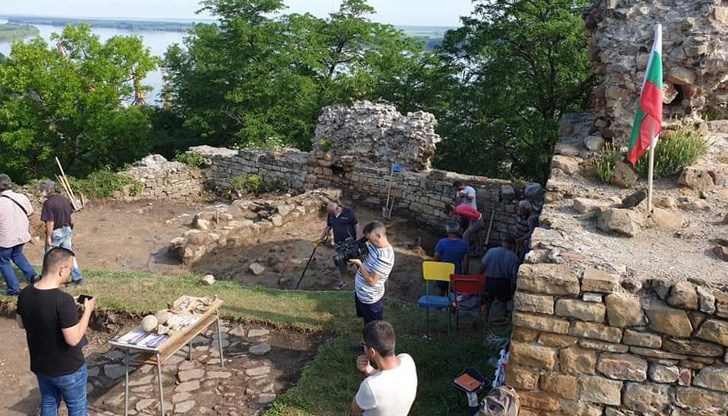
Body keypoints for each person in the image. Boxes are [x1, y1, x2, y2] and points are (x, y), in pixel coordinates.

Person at [16, 247, 96, 416]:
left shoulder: (25, 293)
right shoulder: (63, 301)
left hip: (41, 365)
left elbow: (21, 323)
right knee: (77, 407)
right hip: (67, 368)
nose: (70, 272)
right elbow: (73, 339)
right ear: (61, 270)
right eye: (70, 269)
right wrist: (88, 310)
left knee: (49, 403)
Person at [352, 321, 417, 416]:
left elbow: (355, 409)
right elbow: (390, 378)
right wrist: (369, 370)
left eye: (364, 344)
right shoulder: (407, 360)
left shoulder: (370, 386)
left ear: (372, 352)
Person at [348, 222, 395, 325]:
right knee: (366, 321)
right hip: (361, 294)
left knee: (373, 327)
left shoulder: (385, 257)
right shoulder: (375, 246)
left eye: (370, 239)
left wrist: (359, 264)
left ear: (378, 236)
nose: (368, 242)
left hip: (370, 299)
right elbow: (367, 262)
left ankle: (370, 335)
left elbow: (371, 281)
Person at [40, 180, 83, 285]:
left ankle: (46, 278)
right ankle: (77, 278)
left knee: (49, 256)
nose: (41, 192)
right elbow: (70, 213)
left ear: (48, 190)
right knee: (68, 255)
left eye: (42, 189)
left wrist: (48, 236)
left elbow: (50, 222)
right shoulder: (63, 199)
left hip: (56, 232)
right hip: (67, 229)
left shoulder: (48, 203)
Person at [0, 174, 37, 295]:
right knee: (17, 255)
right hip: (21, 234)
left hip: (5, 238)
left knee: (3, 262)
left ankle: (13, 289)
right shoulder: (22, 197)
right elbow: (30, 212)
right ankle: (33, 277)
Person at [318, 202, 362, 290]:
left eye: (332, 214)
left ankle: (363, 279)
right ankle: (343, 281)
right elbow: (328, 226)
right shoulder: (331, 215)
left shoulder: (348, 212)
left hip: (350, 241)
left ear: (337, 209)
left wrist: (357, 239)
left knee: (358, 259)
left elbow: (356, 225)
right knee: (340, 261)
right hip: (338, 243)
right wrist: (321, 238)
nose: (331, 216)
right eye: (330, 214)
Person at [479, 235, 520, 303]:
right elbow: (514, 275)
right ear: (512, 245)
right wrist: (513, 288)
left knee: (487, 302)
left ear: (503, 242)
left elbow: (483, 266)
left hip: (490, 281)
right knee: (503, 303)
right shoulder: (514, 257)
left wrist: (479, 275)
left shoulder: (492, 251)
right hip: (504, 283)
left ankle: (486, 309)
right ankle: (502, 309)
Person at [432, 223, 469, 296]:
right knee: (453, 294)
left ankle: (441, 301)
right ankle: (451, 303)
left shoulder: (442, 242)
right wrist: (465, 274)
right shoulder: (464, 244)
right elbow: (466, 262)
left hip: (443, 272)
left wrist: (434, 270)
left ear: (447, 232)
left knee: (442, 291)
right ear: (458, 232)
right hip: (456, 273)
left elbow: (435, 257)